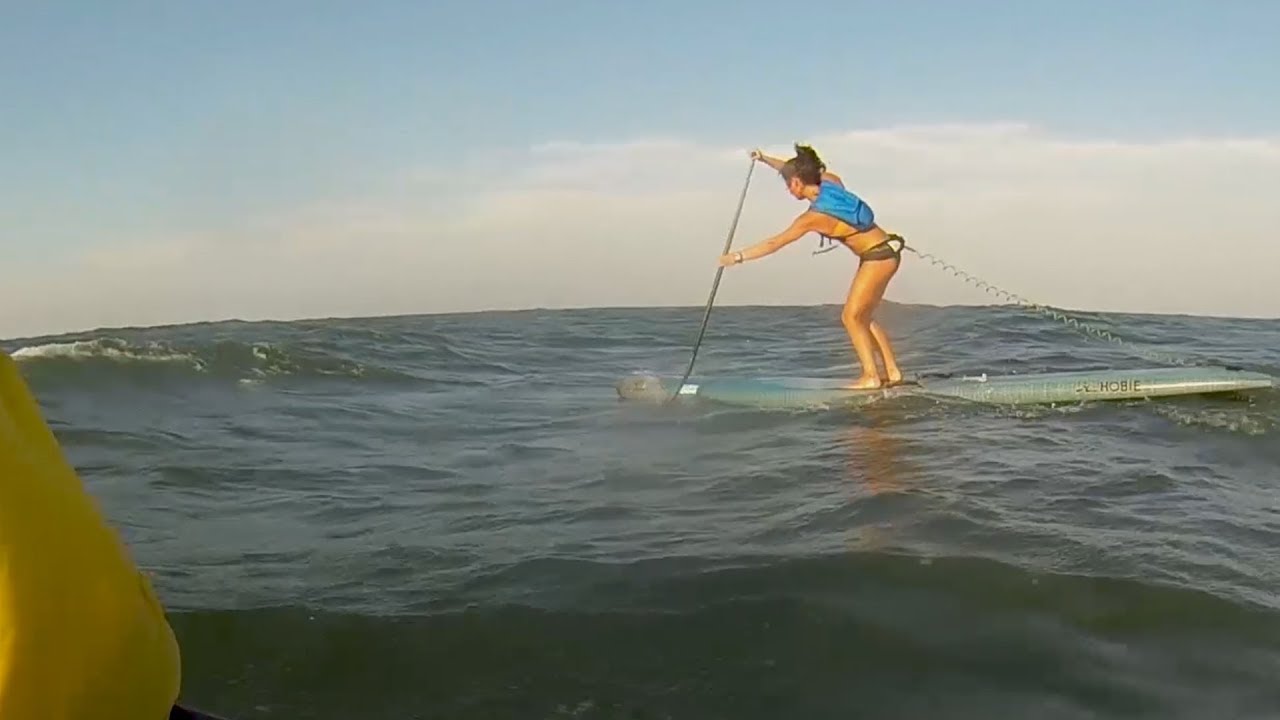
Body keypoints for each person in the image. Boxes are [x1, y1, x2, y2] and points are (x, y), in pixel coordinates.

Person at [719, 143, 907, 389]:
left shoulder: (813, 218)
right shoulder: (831, 181)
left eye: (789, 184)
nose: (789, 190)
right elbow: (793, 169)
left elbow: (776, 242)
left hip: (877, 258)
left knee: (851, 317)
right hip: (886, 252)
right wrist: (764, 159)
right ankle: (892, 373)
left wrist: (738, 257)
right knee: (863, 316)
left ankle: (871, 377)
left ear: (798, 182)